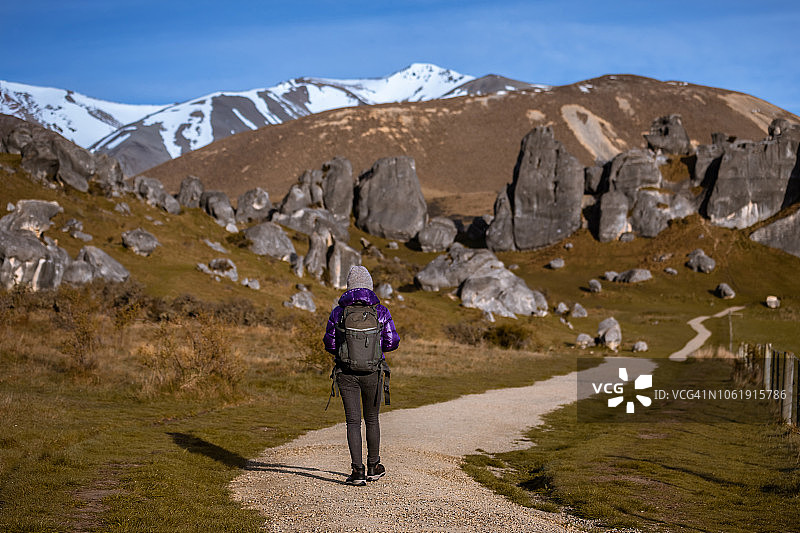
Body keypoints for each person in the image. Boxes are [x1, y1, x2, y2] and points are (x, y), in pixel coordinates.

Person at [324, 265, 399, 486]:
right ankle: (374, 466)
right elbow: (392, 341)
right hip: (373, 373)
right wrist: (375, 351)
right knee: (372, 419)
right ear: (369, 286)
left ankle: (357, 472)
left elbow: (329, 343)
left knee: (353, 422)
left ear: (348, 287)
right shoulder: (381, 311)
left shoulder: (338, 312)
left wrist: (346, 353)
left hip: (346, 373)